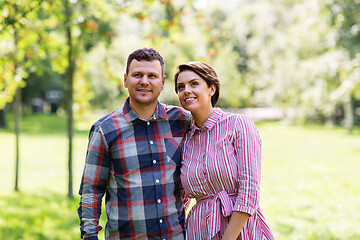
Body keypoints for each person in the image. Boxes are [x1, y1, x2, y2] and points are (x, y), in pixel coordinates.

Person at [78, 48, 192, 240]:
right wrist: (89, 236)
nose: (144, 81)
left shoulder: (181, 121)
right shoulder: (105, 129)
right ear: (125, 80)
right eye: (137, 75)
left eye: (152, 76)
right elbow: (91, 190)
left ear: (162, 82)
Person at [174, 61, 275, 240]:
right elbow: (181, 199)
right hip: (198, 231)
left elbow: (249, 190)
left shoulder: (238, 124)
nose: (186, 90)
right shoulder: (186, 139)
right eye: (180, 87)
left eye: (194, 84)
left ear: (211, 89)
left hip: (241, 230)